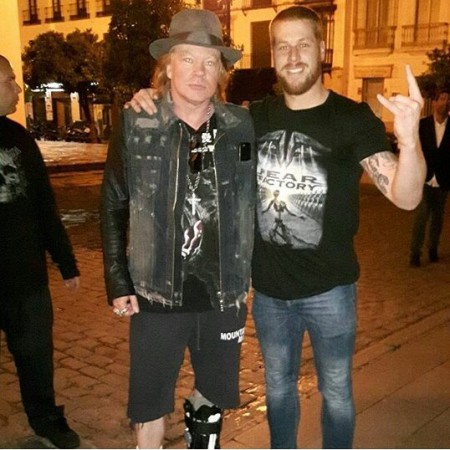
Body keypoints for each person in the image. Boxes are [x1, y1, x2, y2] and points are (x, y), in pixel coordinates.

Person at [128, 6, 425, 448]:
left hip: (331, 291)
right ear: (273, 55)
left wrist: (410, 138)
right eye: (283, 46)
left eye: (303, 44)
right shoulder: (252, 118)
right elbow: (195, 115)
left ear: (321, 49)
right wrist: (152, 100)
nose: (293, 56)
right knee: (279, 392)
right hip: (269, 294)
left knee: (337, 392)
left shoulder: (351, 118)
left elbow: (407, 196)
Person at [100, 9, 255, 449]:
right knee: (148, 407)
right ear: (167, 66)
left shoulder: (241, 124)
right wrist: (117, 280)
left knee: (213, 397)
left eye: (210, 61)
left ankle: (200, 435)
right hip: (156, 293)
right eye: (187, 59)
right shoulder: (137, 122)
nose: (199, 71)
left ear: (221, 71)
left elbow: (252, 200)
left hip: (223, 293)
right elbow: (113, 204)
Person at [0, 55, 80, 449]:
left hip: (26, 278)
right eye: (9, 81)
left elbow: (44, 205)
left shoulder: (19, 138)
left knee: (35, 357)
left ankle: (46, 419)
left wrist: (66, 262)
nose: (17, 88)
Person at [409, 88, 450, 267]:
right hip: (423, 179)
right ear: (434, 102)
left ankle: (433, 248)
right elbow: (414, 150)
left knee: (438, 218)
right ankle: (415, 253)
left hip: (443, 180)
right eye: (442, 99)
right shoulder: (422, 125)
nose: (445, 103)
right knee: (422, 216)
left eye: (448, 100)